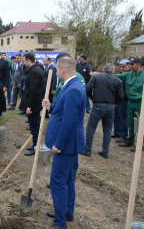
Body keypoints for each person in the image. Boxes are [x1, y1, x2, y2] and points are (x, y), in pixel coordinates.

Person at [42, 56, 86, 229]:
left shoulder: (74, 89)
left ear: (63, 70)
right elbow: (63, 110)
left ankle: (60, 222)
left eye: (57, 69)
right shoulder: (70, 86)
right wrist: (50, 107)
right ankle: (67, 212)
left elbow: (69, 122)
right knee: (67, 179)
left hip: (66, 145)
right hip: (67, 144)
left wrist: (58, 145)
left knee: (57, 181)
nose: (56, 72)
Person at [80, 63, 124, 158]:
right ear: (113, 69)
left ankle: (88, 150)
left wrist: (91, 97)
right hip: (110, 107)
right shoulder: (118, 80)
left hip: (98, 105)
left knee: (90, 129)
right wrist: (115, 103)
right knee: (107, 130)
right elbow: (121, 96)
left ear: (104, 69)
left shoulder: (97, 77)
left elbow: (87, 88)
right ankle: (105, 151)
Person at [116, 58, 144, 151]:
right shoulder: (129, 74)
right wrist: (104, 75)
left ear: (138, 64)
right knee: (130, 123)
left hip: (140, 103)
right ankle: (130, 140)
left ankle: (141, 145)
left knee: (140, 124)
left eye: (132, 65)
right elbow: (116, 76)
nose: (130, 66)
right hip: (130, 102)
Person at [23, 53, 45, 156]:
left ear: (28, 60)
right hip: (35, 103)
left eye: (24, 61)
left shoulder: (34, 72)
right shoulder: (35, 70)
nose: (24, 63)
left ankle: (36, 148)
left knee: (35, 127)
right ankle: (34, 145)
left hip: (34, 105)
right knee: (34, 127)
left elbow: (33, 91)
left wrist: (29, 106)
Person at [112, 59, 131, 143]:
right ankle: (117, 132)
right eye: (120, 67)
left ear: (129, 66)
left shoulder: (130, 75)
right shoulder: (118, 75)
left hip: (124, 100)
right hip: (117, 100)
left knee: (123, 118)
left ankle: (124, 135)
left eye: (123, 67)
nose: (121, 68)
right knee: (115, 117)